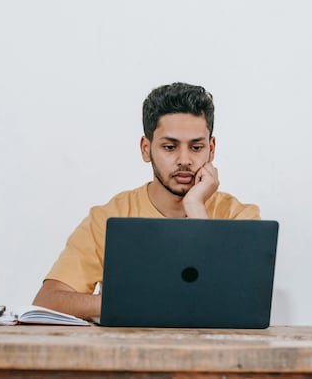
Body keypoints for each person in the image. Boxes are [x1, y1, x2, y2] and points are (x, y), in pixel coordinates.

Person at [32, 82, 260, 320]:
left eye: (196, 147)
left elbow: (240, 303)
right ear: (146, 148)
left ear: (211, 149)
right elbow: (48, 301)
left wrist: (195, 209)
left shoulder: (240, 219)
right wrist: (140, 302)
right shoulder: (109, 217)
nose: (185, 159)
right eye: (170, 147)